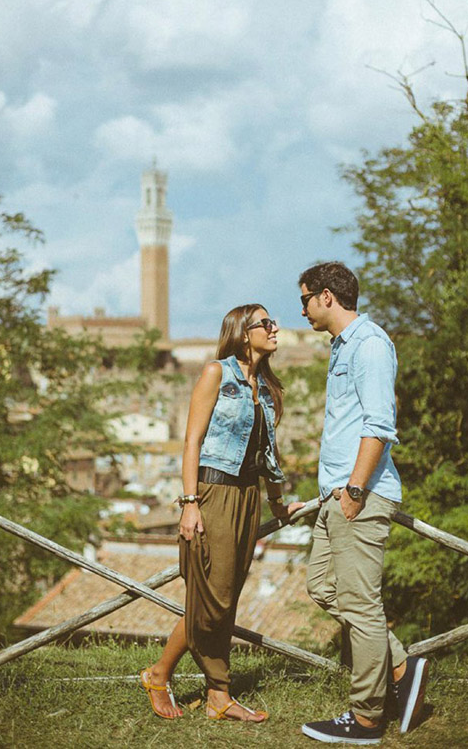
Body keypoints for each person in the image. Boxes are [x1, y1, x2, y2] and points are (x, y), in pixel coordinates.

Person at [140, 304, 300, 722]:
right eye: (265, 323)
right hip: (214, 491)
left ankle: (217, 697)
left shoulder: (265, 387)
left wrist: (278, 502)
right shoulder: (217, 372)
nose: (274, 327)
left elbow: (269, 454)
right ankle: (160, 675)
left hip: (249, 497)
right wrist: (189, 503)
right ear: (244, 333)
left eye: (273, 322)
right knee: (213, 598)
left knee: (225, 598)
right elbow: (191, 440)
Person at [297, 261, 429, 744]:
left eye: (306, 299)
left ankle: (368, 718)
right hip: (336, 494)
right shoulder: (343, 347)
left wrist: (354, 490)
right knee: (321, 586)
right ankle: (400, 667)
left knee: (361, 606)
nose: (304, 309)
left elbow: (378, 424)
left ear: (327, 296)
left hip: (360, 495)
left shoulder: (370, 344)